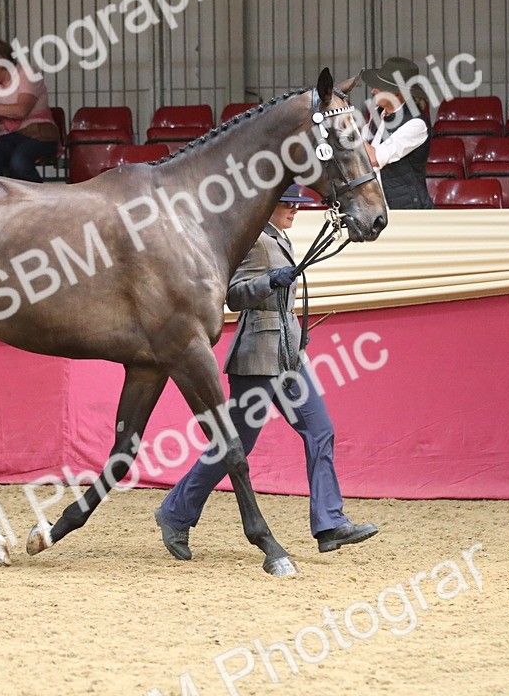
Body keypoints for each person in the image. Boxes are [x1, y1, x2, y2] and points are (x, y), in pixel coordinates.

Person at [154, 184, 378, 562]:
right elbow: (234, 295)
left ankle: (329, 523)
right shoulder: (254, 239)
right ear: (270, 205)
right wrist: (268, 282)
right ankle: (175, 513)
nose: (295, 211)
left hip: (289, 352)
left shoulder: (280, 237)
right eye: (289, 205)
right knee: (235, 445)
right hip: (258, 353)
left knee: (320, 430)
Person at [0, 39, 60, 183]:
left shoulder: (28, 73)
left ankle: (39, 201)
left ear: (1, 60)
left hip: (38, 133)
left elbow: (21, 110)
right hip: (8, 135)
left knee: (19, 161)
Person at [361, 56, 435, 209]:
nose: (373, 90)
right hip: (379, 209)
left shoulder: (417, 124)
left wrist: (346, 125)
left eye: (380, 87)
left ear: (397, 94)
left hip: (406, 210)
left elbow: (374, 158)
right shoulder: (377, 115)